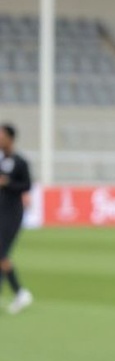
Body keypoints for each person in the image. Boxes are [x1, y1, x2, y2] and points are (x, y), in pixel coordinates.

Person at [0, 122, 33, 314]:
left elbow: (26, 186)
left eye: (2, 136)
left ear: (10, 138)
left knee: (1, 254)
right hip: (1, 210)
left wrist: (7, 183)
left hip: (13, 213)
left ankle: (20, 293)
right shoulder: (3, 160)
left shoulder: (20, 162)